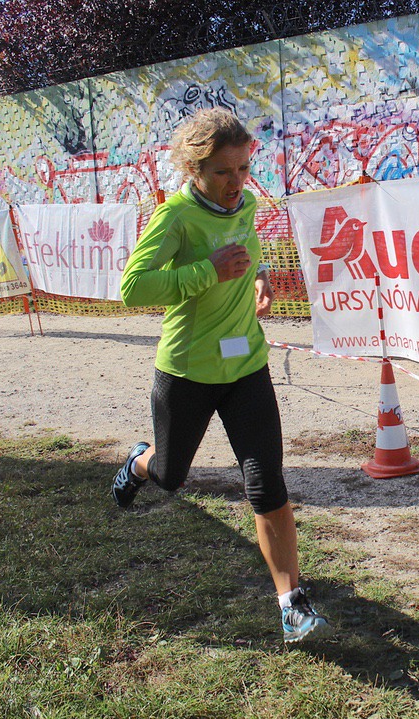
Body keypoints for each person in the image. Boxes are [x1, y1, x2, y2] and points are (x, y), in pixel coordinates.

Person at [111, 108, 330, 643]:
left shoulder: (246, 204)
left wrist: (259, 277)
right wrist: (208, 272)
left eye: (243, 169)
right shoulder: (175, 218)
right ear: (194, 170)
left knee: (266, 482)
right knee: (170, 476)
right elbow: (133, 288)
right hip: (188, 369)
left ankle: (292, 604)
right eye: (223, 173)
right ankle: (140, 462)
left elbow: (246, 248)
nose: (237, 184)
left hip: (247, 365)